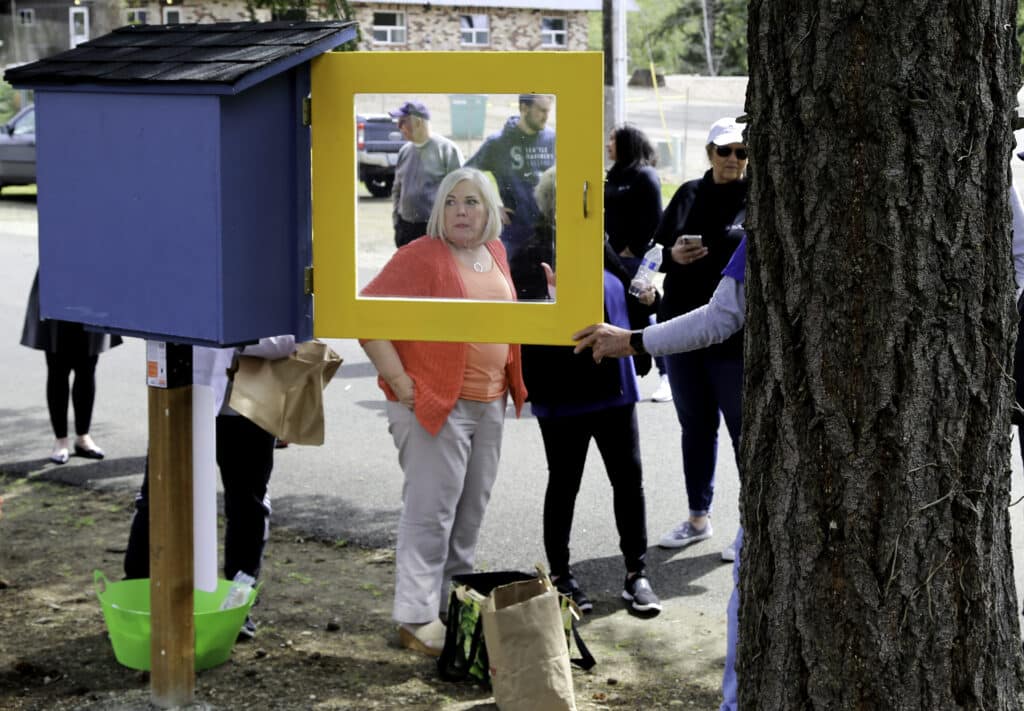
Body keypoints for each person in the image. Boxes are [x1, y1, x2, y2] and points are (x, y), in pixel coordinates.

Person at [359, 167, 527, 657]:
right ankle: (414, 617)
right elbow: (365, 313)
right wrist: (399, 382)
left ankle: (454, 606)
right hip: (435, 405)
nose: (461, 211)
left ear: (490, 210)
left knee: (469, 513)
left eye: (472, 201)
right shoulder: (421, 256)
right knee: (430, 513)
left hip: (489, 402)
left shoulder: (493, 252)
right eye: (452, 201)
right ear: (439, 210)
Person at [516, 167, 662, 615]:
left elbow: (624, 296)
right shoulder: (533, 251)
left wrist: (650, 297)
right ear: (551, 203)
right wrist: (554, 302)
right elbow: (525, 318)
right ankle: (560, 577)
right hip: (564, 391)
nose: (590, 205)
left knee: (629, 479)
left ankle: (636, 573)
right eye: (575, 197)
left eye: (593, 198)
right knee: (564, 484)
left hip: (614, 386)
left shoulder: (598, 240)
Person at [124, 335, 296, 640]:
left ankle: (236, 605)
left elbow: (294, 337)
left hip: (250, 402)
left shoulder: (273, 286)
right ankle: (135, 602)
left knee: (248, 505)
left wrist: (235, 334)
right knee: (156, 500)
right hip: (180, 391)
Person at [646, 116, 748, 560]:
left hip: (734, 337)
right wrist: (672, 255)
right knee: (696, 427)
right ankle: (697, 518)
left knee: (747, 432)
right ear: (709, 153)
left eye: (742, 152)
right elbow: (653, 254)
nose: (733, 160)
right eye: (724, 151)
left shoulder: (757, 194)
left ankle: (752, 528)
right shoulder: (688, 192)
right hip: (683, 329)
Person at [20, 269, 122, 464]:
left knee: (87, 367)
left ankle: (83, 436)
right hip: (56, 282)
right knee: (58, 368)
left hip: (91, 286)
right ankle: (61, 440)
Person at [603, 123, 672, 402]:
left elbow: (657, 221)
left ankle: (666, 376)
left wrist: (634, 250)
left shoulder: (646, 176)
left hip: (638, 260)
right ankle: (621, 374)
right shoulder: (613, 174)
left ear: (628, 143)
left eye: (612, 140)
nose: (608, 144)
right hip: (611, 257)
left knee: (644, 310)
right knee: (619, 313)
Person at [466, 94, 555, 260]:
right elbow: (465, 176)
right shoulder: (498, 143)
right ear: (524, 108)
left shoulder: (553, 139)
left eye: (548, 111)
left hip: (548, 234)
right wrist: (490, 206)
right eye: (541, 110)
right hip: (514, 235)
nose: (546, 116)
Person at [390, 101, 464, 247]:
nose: (398, 127)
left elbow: (461, 191)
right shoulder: (404, 151)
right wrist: (397, 223)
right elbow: (397, 189)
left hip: (435, 231)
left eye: (402, 122)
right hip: (406, 229)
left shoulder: (447, 150)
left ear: (418, 122)